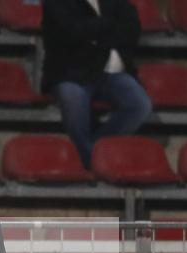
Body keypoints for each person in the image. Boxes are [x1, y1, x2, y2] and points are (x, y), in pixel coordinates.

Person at [41, 0, 152, 169]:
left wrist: (96, 35)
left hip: (111, 73)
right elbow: (72, 33)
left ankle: (91, 152)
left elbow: (132, 29)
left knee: (140, 104)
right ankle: (93, 161)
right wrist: (110, 26)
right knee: (73, 98)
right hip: (70, 72)